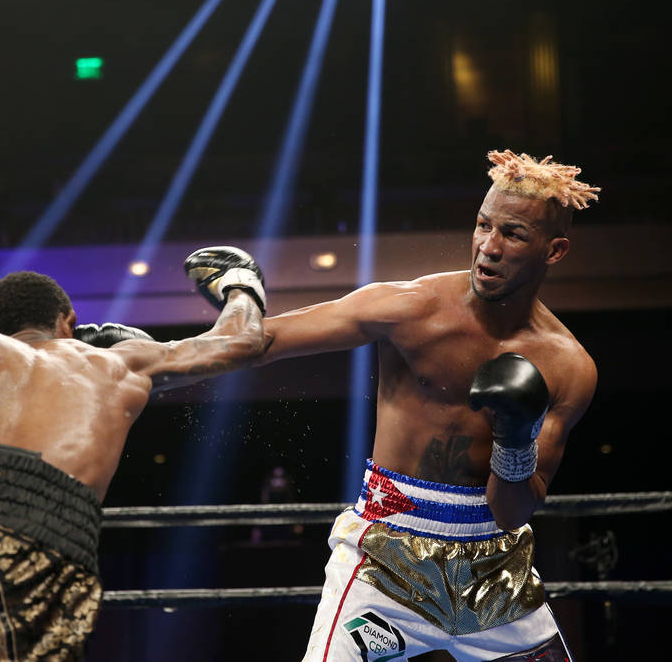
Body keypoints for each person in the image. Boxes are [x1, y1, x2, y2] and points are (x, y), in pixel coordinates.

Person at [0, 246, 267, 662]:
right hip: (20, 548)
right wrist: (240, 283)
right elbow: (240, 341)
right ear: (68, 321)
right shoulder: (110, 361)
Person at [255, 150, 600, 661]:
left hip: (496, 577)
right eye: (483, 225)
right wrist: (141, 357)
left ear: (554, 251)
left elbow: (513, 511)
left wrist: (514, 434)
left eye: (513, 234)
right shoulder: (411, 307)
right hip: (384, 563)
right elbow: (266, 339)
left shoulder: (569, 367)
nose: (489, 246)